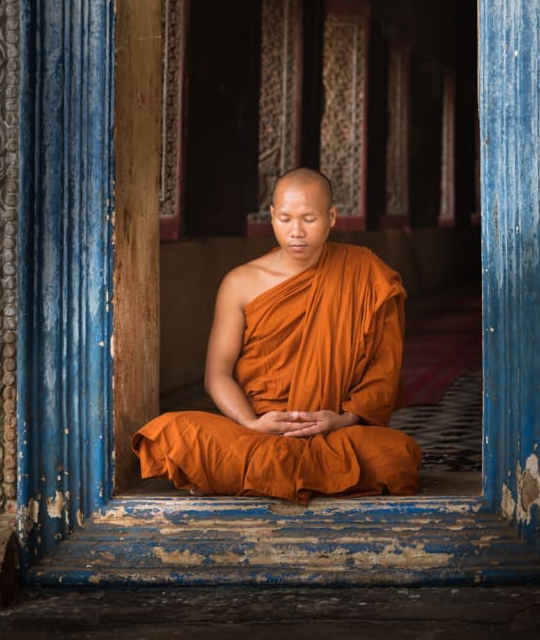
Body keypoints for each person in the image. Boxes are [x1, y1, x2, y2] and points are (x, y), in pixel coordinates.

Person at [132, 168, 421, 502]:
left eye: (309, 219)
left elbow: (381, 373)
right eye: (284, 219)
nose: (296, 232)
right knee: (169, 432)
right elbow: (217, 374)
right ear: (271, 217)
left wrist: (343, 419)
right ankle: (299, 473)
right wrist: (252, 423)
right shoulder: (240, 282)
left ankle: (254, 474)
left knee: (398, 453)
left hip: (331, 433)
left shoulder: (366, 273)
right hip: (258, 429)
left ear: (331, 217)